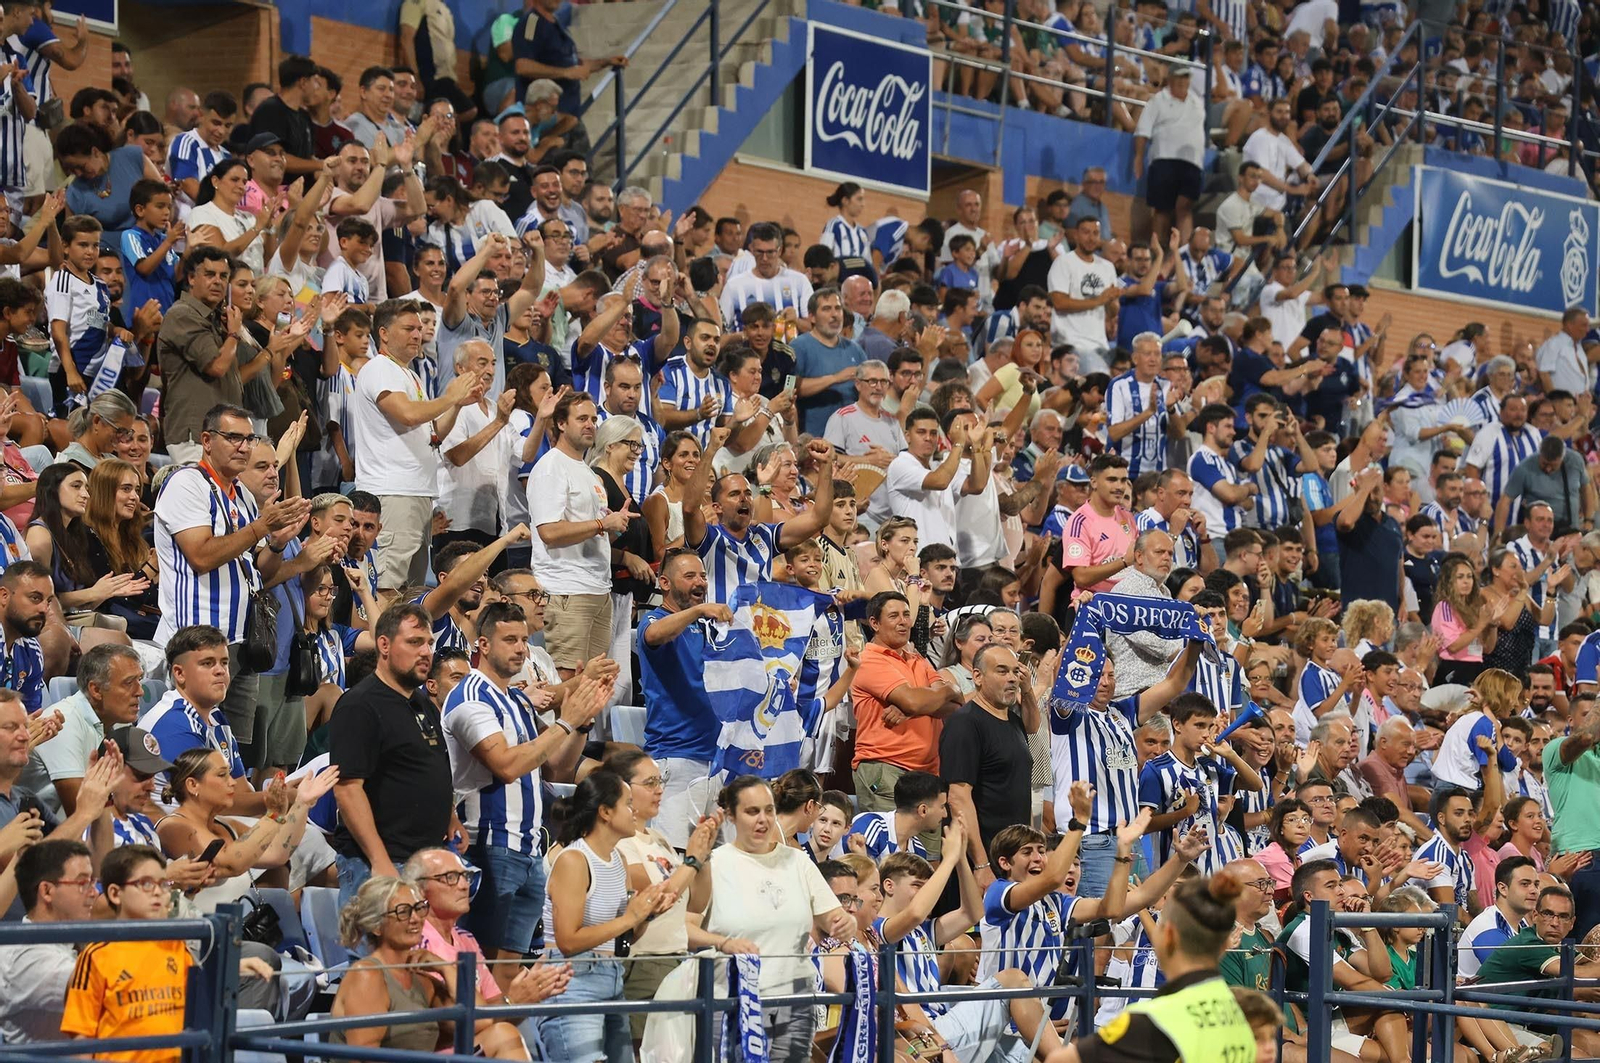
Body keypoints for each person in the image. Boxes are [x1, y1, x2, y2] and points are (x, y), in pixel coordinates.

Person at [441, 601, 602, 968]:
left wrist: (581, 722)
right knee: (480, 965)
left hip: (528, 848)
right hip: (488, 845)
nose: (520, 649)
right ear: (483, 645)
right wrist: (565, 722)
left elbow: (557, 767)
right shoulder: (470, 696)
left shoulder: (516, 701)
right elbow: (506, 766)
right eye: (509, 640)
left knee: (510, 967)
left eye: (524, 640)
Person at [687, 776, 854, 1061]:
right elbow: (685, 929)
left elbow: (834, 918)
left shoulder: (799, 862)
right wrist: (723, 943)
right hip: (733, 1001)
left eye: (768, 810)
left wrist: (845, 923)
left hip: (794, 1001)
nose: (762, 819)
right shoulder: (714, 864)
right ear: (731, 816)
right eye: (752, 811)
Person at [538, 770, 677, 1062]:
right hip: (570, 980)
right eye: (628, 804)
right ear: (605, 812)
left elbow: (623, 937)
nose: (634, 811)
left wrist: (646, 915)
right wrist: (630, 918)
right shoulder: (574, 860)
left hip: (612, 976)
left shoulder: (618, 859)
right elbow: (568, 941)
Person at [1052, 870, 1257, 1063]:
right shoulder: (1241, 1015)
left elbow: (1059, 1060)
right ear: (1225, 945)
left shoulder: (1153, 1020)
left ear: (1168, 937)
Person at [329, 601, 455, 901]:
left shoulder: (422, 702)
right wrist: (379, 860)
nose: (426, 652)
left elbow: (432, 767)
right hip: (376, 864)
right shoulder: (360, 705)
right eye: (414, 642)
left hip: (423, 862)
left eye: (429, 643)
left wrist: (450, 817)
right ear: (383, 645)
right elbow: (347, 790)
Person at [329, 876, 532, 1058]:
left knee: (504, 1035)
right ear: (377, 926)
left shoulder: (421, 978)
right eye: (403, 912)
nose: (416, 919)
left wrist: (446, 968)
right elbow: (363, 1058)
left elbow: (480, 1021)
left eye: (419, 908)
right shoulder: (367, 975)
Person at [356, 299, 479, 595]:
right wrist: (449, 397)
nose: (417, 334)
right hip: (394, 491)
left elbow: (432, 434)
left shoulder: (408, 374)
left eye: (419, 328)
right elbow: (408, 414)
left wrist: (457, 405)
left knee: (411, 590)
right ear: (384, 333)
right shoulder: (380, 368)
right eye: (408, 328)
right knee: (387, 586)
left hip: (415, 492)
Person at [154, 746, 336, 912]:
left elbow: (276, 854)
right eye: (222, 775)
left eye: (230, 774)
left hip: (232, 927)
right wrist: (272, 816)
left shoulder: (226, 825)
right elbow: (231, 863)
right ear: (193, 785)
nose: (232, 782)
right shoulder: (173, 827)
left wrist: (303, 803)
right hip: (196, 930)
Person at [529, 391, 629, 677]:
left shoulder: (588, 472)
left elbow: (594, 532)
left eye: (594, 419)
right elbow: (549, 531)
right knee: (566, 680)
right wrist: (602, 525)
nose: (590, 425)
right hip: (566, 589)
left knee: (594, 685)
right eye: (582, 418)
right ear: (561, 423)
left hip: (598, 588)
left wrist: (614, 526)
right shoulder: (551, 467)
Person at [636, 548, 731, 847]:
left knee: (719, 863)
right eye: (689, 576)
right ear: (664, 583)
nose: (700, 582)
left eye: (702, 575)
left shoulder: (707, 629)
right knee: (672, 858)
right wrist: (698, 611)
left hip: (716, 761)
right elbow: (654, 635)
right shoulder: (654, 620)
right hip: (677, 758)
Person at [940, 644, 1037, 854]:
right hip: (985, 853)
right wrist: (981, 862)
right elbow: (958, 798)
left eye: (1015, 672)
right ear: (977, 677)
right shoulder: (964, 723)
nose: (1012, 679)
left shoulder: (1014, 722)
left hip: (1014, 855)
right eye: (1002, 671)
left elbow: (1020, 792)